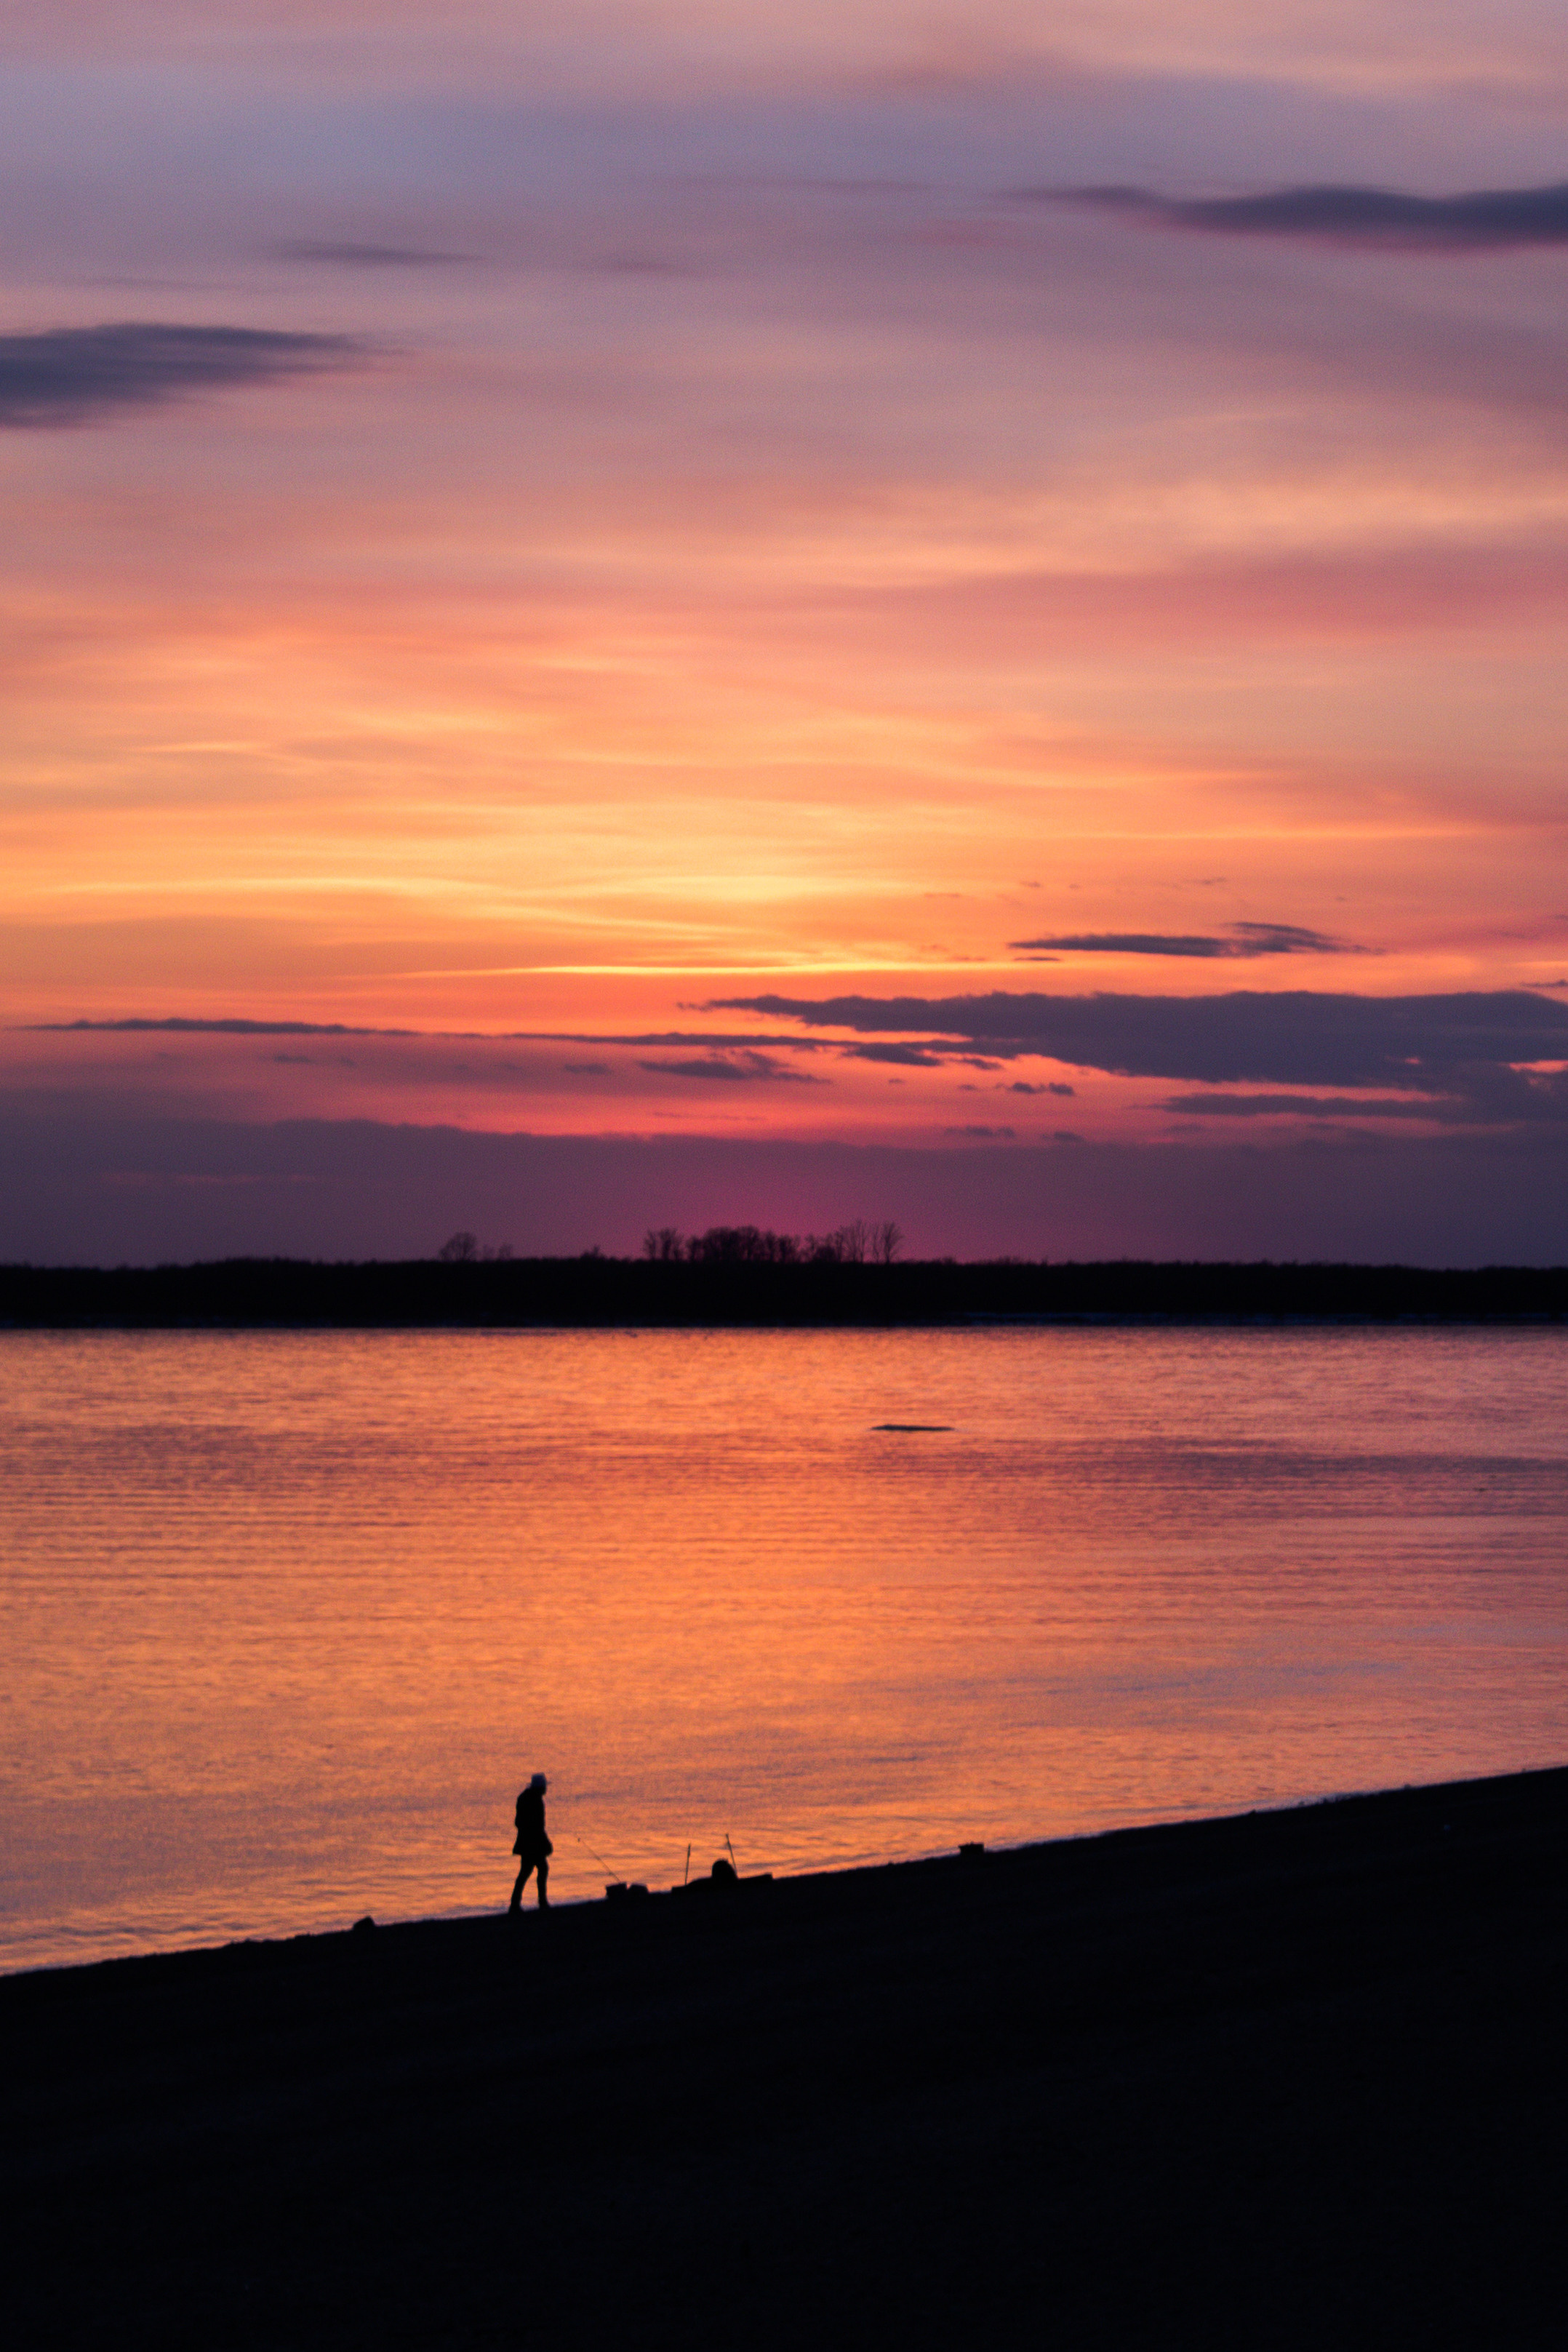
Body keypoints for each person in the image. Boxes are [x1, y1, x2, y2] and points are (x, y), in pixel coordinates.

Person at [508, 1773, 552, 1911]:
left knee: (527, 1871)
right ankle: (541, 1902)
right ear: (540, 1787)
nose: (546, 1789)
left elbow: (519, 1822)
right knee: (538, 1870)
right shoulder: (536, 1801)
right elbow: (538, 1825)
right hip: (533, 1843)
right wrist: (544, 1842)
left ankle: (516, 1904)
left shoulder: (524, 1798)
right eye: (544, 1787)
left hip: (527, 1842)